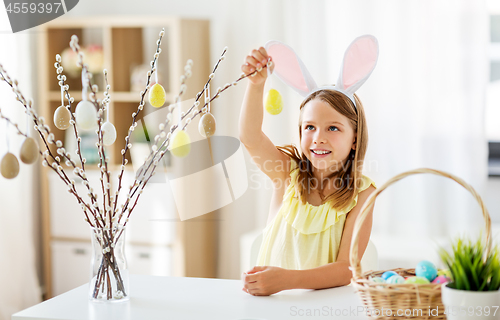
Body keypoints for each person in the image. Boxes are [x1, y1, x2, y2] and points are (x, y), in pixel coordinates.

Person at [239, 36, 379, 296]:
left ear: (355, 138)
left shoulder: (363, 193)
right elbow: (250, 137)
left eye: (333, 128)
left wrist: (285, 280)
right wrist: (256, 86)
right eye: (310, 127)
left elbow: (346, 269)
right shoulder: (287, 174)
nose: (318, 138)